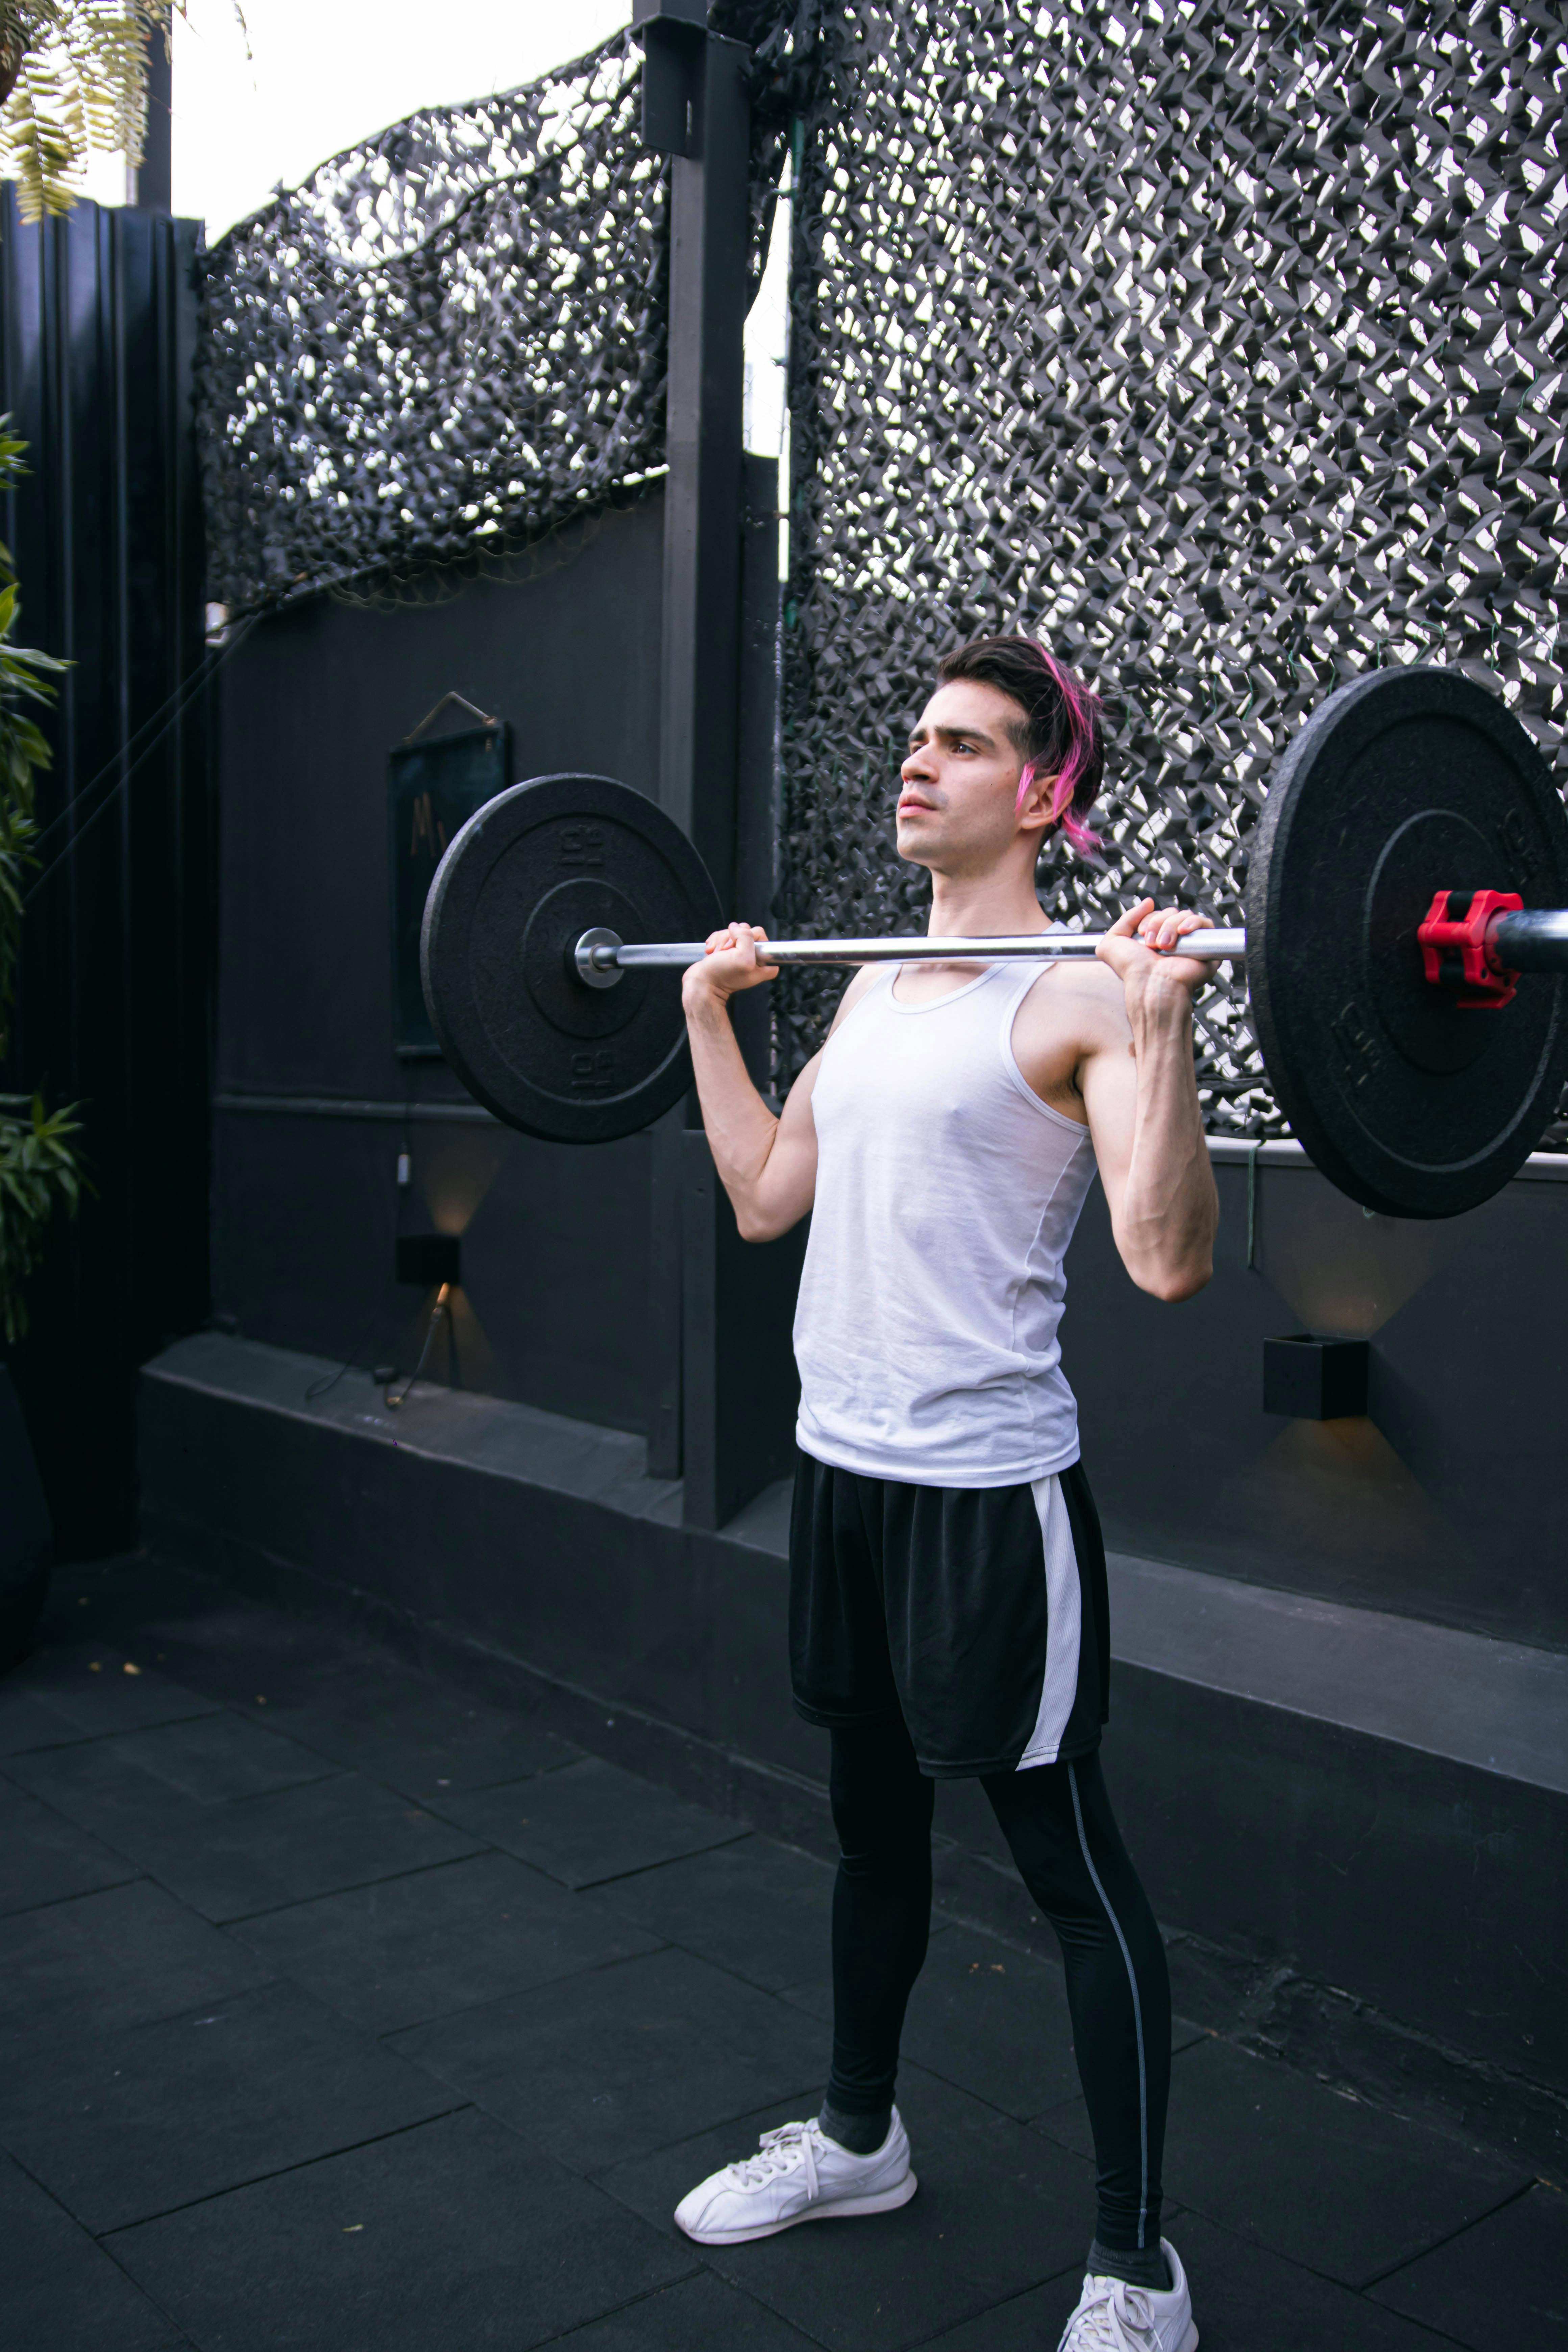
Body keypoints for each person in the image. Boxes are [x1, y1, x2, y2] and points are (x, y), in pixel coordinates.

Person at [672, 634, 1217, 2352]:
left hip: (990, 1498)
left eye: (962, 745)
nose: (915, 763)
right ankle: (856, 2139)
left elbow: (1163, 1255)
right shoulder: (864, 991)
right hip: (847, 1476)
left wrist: (1162, 1025)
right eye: (914, 738)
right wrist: (704, 1017)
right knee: (873, 1828)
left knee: (1068, 1872)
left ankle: (1138, 2267)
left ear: (1043, 792)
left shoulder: (1070, 998)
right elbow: (764, 1192)